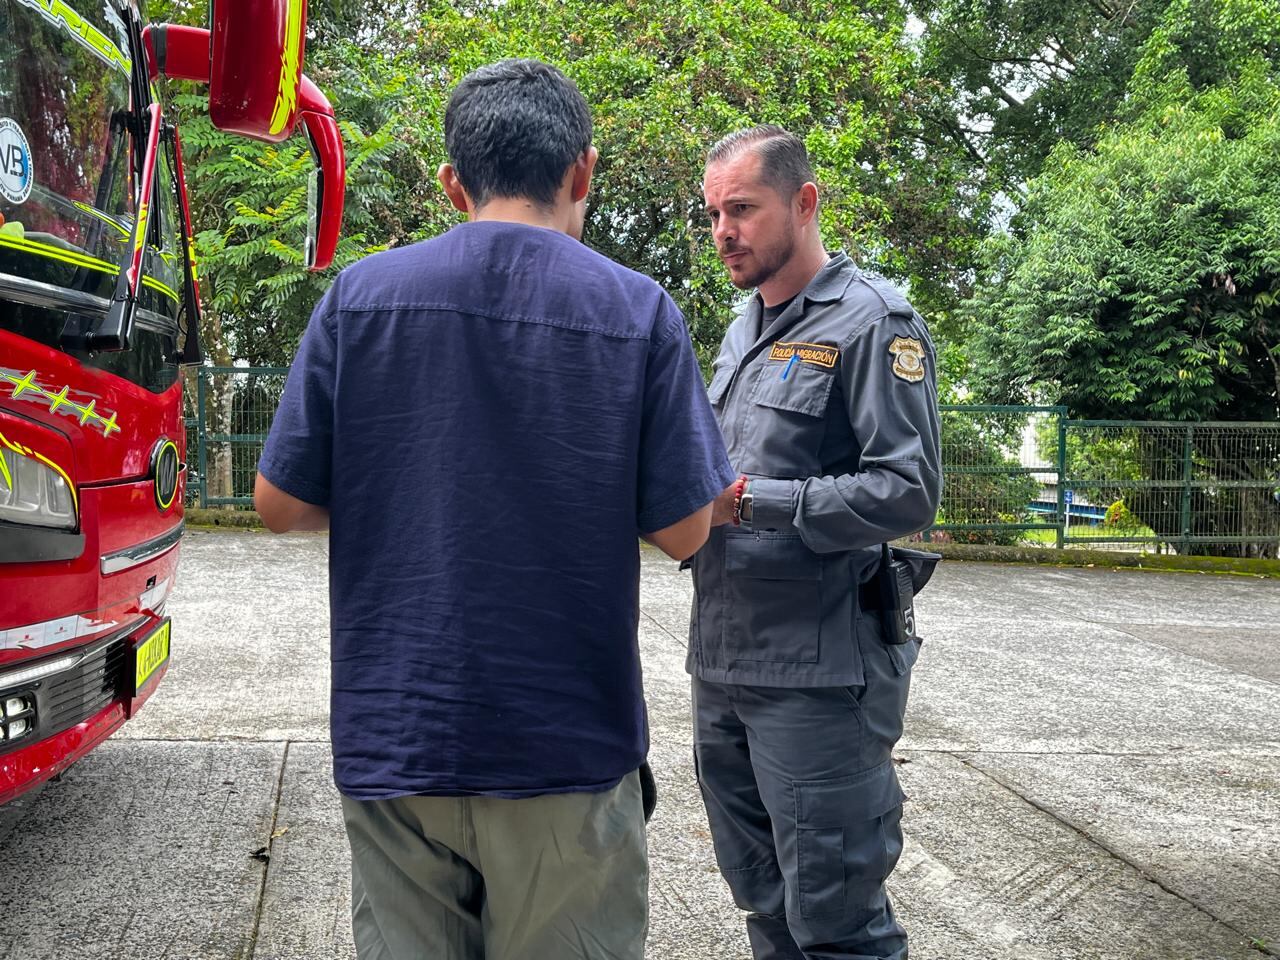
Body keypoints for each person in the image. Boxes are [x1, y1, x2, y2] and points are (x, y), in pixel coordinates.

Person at [254, 58, 735, 960]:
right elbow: (685, 529)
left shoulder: (360, 297)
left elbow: (280, 503)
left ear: (452, 183)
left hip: (398, 738)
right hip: (565, 747)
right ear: (583, 171)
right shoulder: (638, 311)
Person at [688, 125, 942, 960]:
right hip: (724, 659)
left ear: (804, 202)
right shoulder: (740, 329)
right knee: (763, 902)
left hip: (819, 674)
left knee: (837, 922)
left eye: (743, 209)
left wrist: (752, 502)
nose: (724, 229)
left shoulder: (873, 322)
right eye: (713, 212)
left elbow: (906, 489)